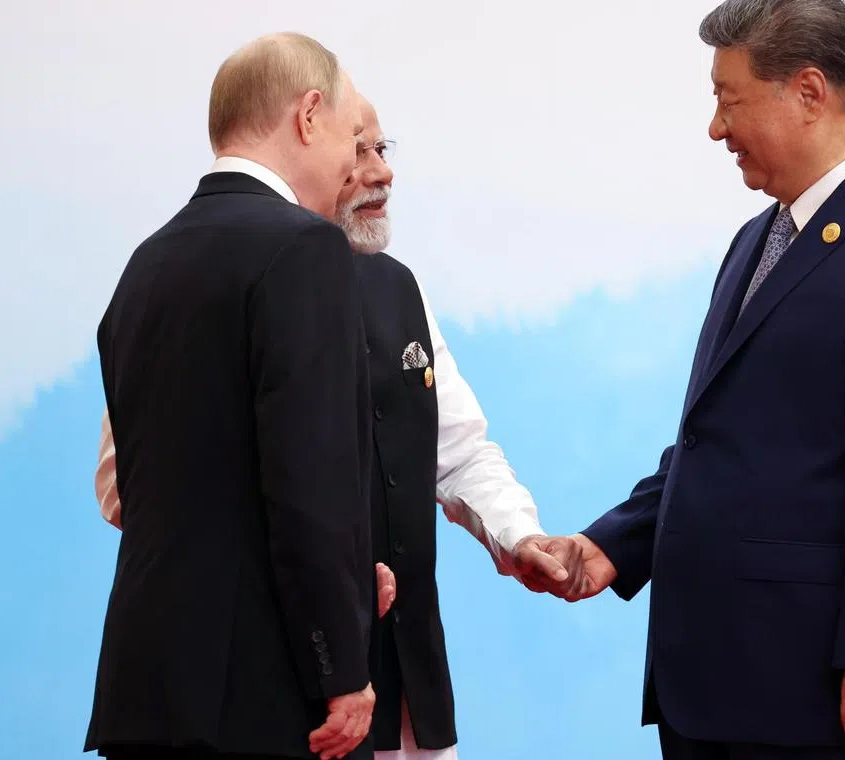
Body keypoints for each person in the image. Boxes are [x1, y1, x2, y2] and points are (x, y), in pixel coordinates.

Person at [93, 95, 584, 760]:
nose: (381, 172)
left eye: (385, 150)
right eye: (358, 151)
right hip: (272, 688)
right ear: (308, 148)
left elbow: (459, 449)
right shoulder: (210, 281)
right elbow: (131, 485)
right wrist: (327, 570)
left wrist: (518, 533)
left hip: (404, 694)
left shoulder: (399, 287)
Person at [568, 2, 845, 759]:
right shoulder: (759, 237)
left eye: (728, 100)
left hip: (822, 700)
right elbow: (720, 438)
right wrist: (616, 546)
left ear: (808, 91)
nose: (715, 128)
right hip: (720, 687)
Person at [84, 33, 380, 760]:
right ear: (309, 117)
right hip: (265, 699)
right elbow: (307, 481)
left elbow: (169, 482)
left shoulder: (146, 264)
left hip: (145, 691)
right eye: (352, 138)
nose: (354, 169)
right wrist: (340, 664)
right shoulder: (306, 250)